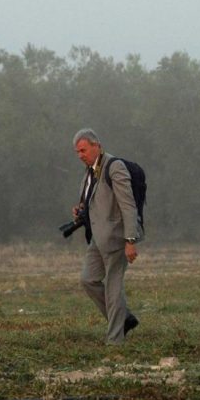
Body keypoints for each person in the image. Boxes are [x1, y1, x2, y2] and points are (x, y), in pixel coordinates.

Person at [72, 128, 142, 344]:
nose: (80, 155)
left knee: (113, 289)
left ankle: (115, 341)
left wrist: (130, 240)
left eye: (83, 150)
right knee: (88, 280)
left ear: (96, 145)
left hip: (116, 239)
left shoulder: (114, 167)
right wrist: (80, 210)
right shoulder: (89, 172)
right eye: (77, 152)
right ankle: (124, 319)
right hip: (97, 239)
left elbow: (128, 205)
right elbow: (94, 202)